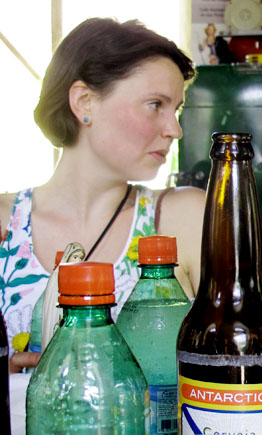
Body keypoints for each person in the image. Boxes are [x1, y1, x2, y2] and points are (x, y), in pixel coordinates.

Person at [0, 18, 206, 376]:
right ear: (84, 102)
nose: (175, 129)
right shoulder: (4, 224)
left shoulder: (184, 218)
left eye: (176, 109)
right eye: (155, 104)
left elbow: (251, 357)